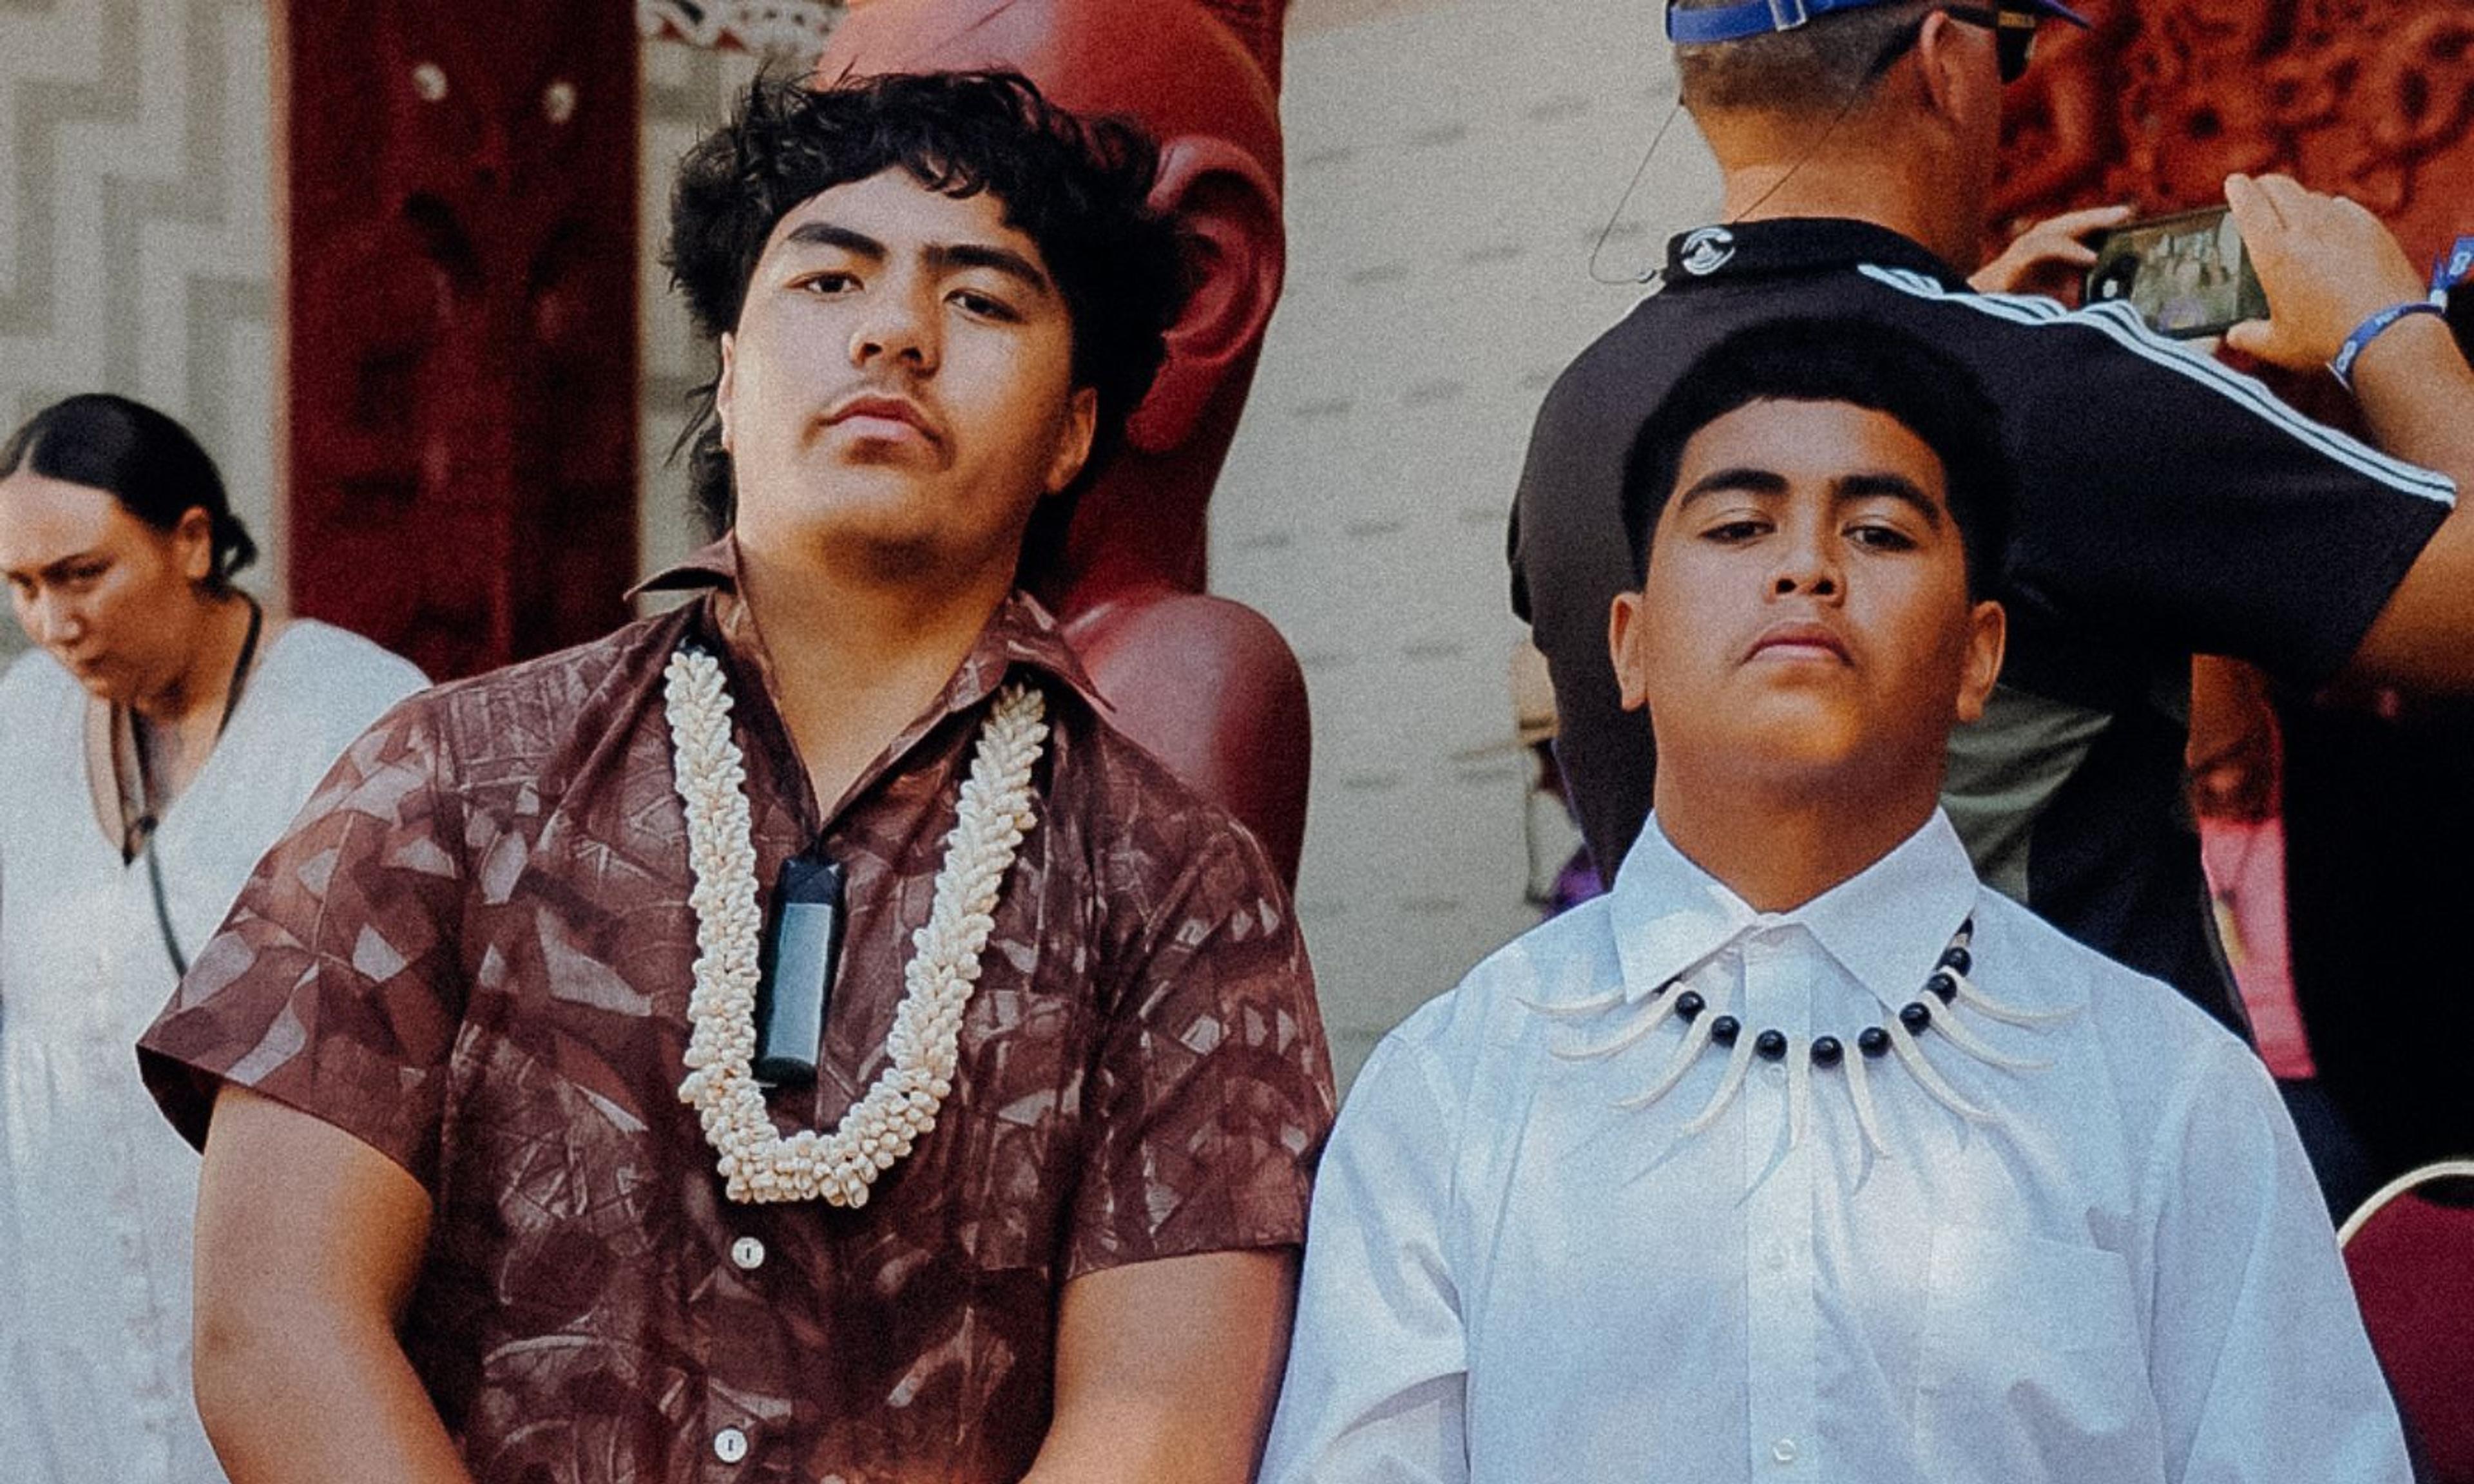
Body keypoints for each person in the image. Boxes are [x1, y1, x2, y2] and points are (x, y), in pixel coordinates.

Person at [138, 71, 1332, 1484]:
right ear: (726, 366)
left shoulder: (1177, 887)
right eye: (829, 279)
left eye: (985, 300)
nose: (895, 331)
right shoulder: (452, 784)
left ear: (1075, 428)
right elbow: (279, 1328)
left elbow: (1165, 1421)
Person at [1264, 319, 2410, 1483]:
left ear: (1978, 658)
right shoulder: (1450, 1097)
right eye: (1738, 524)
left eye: (1875, 530)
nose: (1806, 567)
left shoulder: (2168, 1095)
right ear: (1631, 645)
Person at [1510, 0, 2474, 1034]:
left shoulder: (1582, 409)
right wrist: (2389, 324)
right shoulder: (2053, 398)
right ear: (1944, 62)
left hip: (1712, 1137)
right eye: (2011, 51)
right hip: (2059, 1158)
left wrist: (1954, 328)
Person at [0, 393, 425, 1483]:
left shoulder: (360, 717)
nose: (54, 624)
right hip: (56, 1319)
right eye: (22, 587)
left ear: (192, 541)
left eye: (84, 575)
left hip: (279, 1303)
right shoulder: (18, 722)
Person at [816, 0, 1315, 886]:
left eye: (968, 279)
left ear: (1196, 288)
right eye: (834, 273)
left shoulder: (1169, 682)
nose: (877, 337)